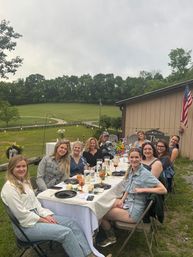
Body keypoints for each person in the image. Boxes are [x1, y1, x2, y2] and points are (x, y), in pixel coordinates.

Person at [1, 155, 105, 257]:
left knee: (72, 223)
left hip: (37, 216)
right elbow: (21, 214)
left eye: (24, 166)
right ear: (11, 168)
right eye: (18, 167)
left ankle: (89, 254)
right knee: (66, 233)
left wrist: (46, 215)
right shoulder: (10, 188)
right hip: (26, 227)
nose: (22, 169)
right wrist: (42, 219)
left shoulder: (24, 181)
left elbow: (36, 203)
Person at [98, 148, 167, 248]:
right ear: (128, 158)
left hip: (134, 212)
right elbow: (128, 188)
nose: (134, 159)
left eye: (136, 157)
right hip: (128, 202)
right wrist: (122, 200)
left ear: (140, 158)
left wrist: (143, 190)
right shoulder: (132, 169)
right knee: (104, 204)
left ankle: (111, 237)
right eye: (132, 157)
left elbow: (163, 190)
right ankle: (103, 229)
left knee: (101, 214)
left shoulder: (145, 174)